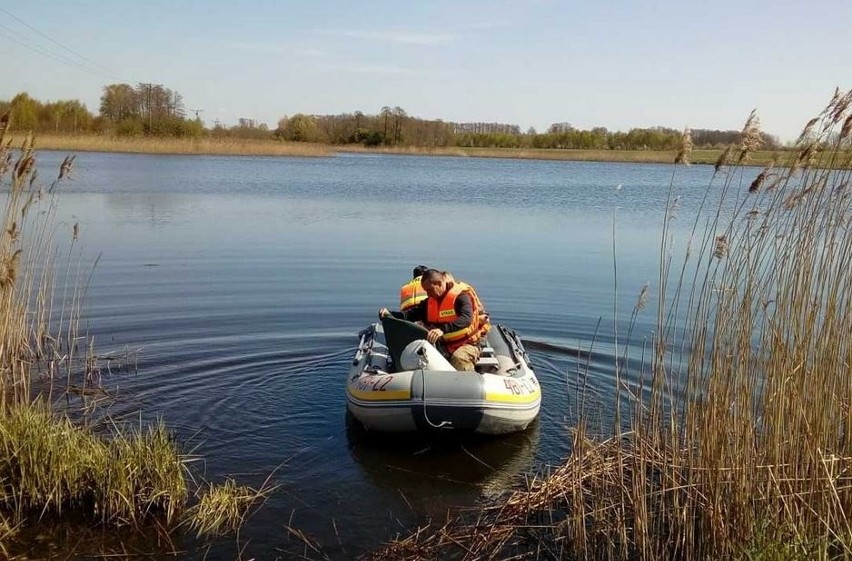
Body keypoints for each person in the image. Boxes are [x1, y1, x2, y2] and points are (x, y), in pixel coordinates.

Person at [380, 269, 490, 371]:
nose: (427, 293)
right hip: (444, 344)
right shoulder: (430, 301)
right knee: (421, 359)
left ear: (439, 284)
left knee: (459, 359)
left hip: (468, 343)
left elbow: (466, 319)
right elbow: (411, 314)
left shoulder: (461, 297)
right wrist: (390, 314)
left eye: (429, 289)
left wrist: (442, 330)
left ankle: (466, 385)